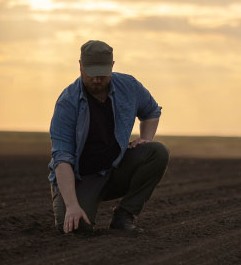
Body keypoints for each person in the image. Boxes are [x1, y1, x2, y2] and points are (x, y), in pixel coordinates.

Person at [47, 40, 169, 234]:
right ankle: (78, 203)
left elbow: (152, 111)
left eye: (102, 74)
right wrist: (71, 205)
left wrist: (145, 137)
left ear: (112, 66)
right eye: (92, 74)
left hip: (115, 168)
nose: (97, 80)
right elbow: (61, 159)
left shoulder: (128, 86)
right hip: (82, 177)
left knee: (157, 152)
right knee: (75, 229)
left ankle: (125, 216)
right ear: (80, 66)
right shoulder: (67, 102)